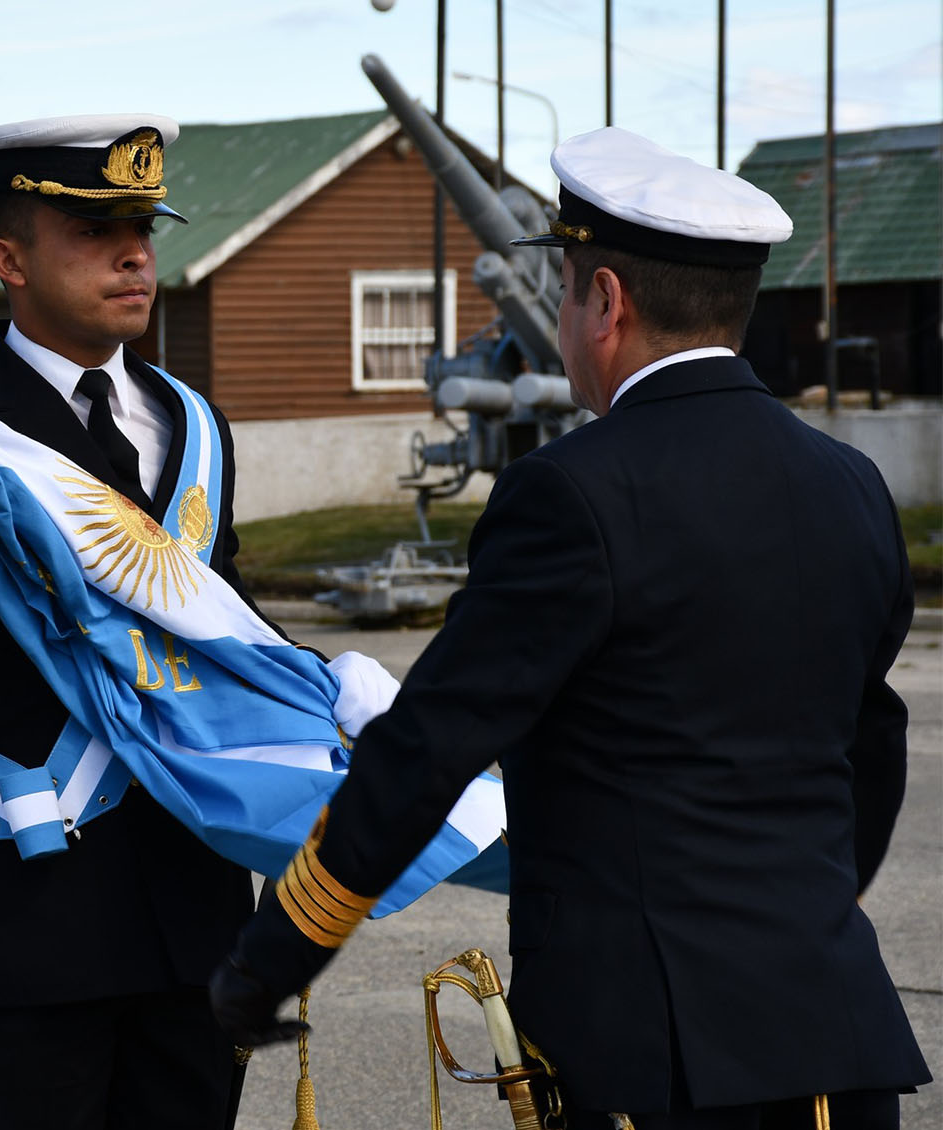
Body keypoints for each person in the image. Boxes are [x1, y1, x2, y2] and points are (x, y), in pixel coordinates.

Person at [210, 127, 931, 1128]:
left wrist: (272, 956)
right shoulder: (851, 483)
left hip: (657, 1060)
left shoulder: (571, 492)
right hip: (834, 1038)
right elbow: (872, 739)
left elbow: (431, 746)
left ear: (606, 302)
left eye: (565, 292)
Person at [0, 114, 388, 1130]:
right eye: (95, 232)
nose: (135, 254)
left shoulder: (191, 423)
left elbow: (214, 619)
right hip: (24, 919)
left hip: (195, 917)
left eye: (143, 228)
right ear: (8, 259)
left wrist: (320, 681)